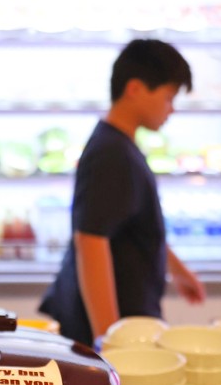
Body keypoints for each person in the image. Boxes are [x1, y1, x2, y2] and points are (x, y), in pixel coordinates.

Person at [39, 38, 206, 346]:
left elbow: (130, 226)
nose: (172, 109)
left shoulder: (118, 144)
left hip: (123, 319)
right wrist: (109, 339)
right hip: (110, 327)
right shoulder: (111, 153)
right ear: (135, 89)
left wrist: (178, 269)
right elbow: (91, 241)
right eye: (168, 96)